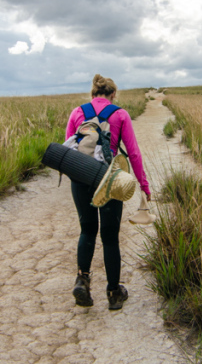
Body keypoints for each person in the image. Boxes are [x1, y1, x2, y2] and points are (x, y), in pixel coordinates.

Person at [65, 74, 151, 310]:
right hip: (109, 178)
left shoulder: (77, 112)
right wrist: (143, 185)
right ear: (113, 94)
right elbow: (133, 153)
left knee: (87, 230)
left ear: (93, 94)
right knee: (110, 237)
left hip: (81, 177)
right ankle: (114, 293)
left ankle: (82, 280)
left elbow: (70, 148)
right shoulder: (120, 114)